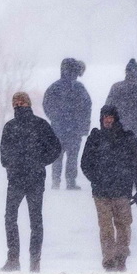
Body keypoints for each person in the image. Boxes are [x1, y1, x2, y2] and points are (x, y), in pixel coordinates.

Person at [0, 91, 62, 272]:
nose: (18, 104)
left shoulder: (40, 125)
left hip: (32, 178)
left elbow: (55, 147)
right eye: (15, 102)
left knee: (34, 220)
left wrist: (41, 161)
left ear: (28, 103)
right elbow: (3, 151)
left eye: (21, 101)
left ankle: (33, 261)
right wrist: (9, 164)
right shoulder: (11, 127)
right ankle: (14, 259)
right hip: (18, 178)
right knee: (11, 218)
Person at [80, 105, 137, 272]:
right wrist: (95, 179)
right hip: (101, 192)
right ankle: (109, 259)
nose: (107, 120)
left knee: (123, 225)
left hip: (122, 190)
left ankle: (121, 257)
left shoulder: (127, 138)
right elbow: (85, 163)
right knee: (106, 227)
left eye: (110, 117)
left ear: (116, 118)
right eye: (105, 117)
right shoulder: (95, 137)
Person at [43, 58, 92, 190]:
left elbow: (46, 105)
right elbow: (87, 107)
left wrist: (55, 118)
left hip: (58, 128)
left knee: (58, 156)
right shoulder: (79, 88)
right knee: (72, 156)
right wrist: (83, 126)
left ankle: (56, 181)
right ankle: (70, 182)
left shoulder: (54, 87)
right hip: (74, 129)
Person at [105, 58, 137, 148]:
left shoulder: (116, 87)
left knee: (117, 155)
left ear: (126, 72)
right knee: (135, 155)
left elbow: (107, 108)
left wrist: (105, 125)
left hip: (118, 128)